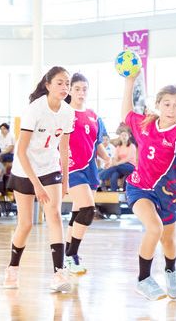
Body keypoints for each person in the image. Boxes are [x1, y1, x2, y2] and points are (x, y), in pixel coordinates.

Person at [120, 77, 176, 301]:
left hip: (167, 195)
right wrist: (129, 82)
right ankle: (144, 279)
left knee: (168, 241)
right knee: (154, 228)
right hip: (139, 188)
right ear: (158, 104)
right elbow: (126, 114)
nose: (172, 108)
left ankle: (170, 271)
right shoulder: (147, 124)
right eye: (167, 103)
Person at [3, 67, 75, 293]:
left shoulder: (68, 112)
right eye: (60, 83)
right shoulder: (35, 109)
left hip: (49, 167)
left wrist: (65, 180)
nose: (65, 87)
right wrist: (36, 185)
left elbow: (64, 147)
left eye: (67, 83)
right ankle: (12, 269)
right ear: (48, 85)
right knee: (25, 224)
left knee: (53, 214)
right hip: (25, 169)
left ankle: (59, 272)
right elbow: (21, 151)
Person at [63, 73, 110, 275]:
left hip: (90, 168)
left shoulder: (93, 116)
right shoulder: (63, 113)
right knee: (88, 209)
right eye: (77, 89)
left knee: (77, 213)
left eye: (84, 89)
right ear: (70, 90)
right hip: (72, 168)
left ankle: (66, 256)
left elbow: (96, 143)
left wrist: (107, 158)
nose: (81, 93)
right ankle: (71, 256)